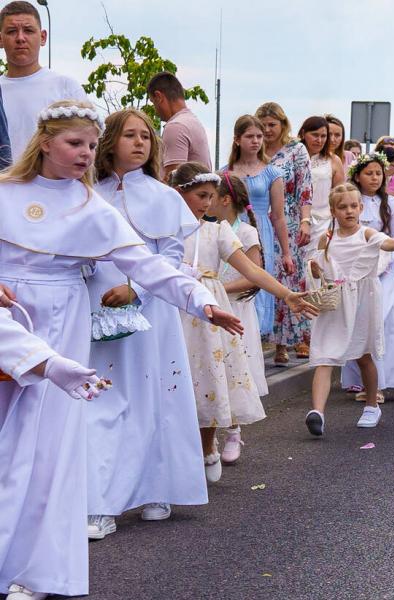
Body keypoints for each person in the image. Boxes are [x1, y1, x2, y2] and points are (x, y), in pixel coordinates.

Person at [0, 100, 248, 599]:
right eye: (75, 143)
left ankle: (36, 571)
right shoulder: (6, 192)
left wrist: (201, 302)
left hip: (63, 318)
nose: (84, 153)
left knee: (48, 447)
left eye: (91, 146)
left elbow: (150, 266)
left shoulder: (91, 207)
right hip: (8, 320)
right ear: (45, 142)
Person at [83, 109, 206, 542]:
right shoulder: (86, 194)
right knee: (101, 402)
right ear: (109, 141)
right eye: (129, 135)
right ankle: (101, 502)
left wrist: (137, 288)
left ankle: (159, 486)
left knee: (157, 398)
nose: (140, 143)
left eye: (146, 137)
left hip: (150, 313)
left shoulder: (164, 196)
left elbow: (173, 258)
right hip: (97, 312)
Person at [172, 163, 314, 484]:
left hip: (208, 313)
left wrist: (286, 293)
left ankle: (208, 446)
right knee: (174, 380)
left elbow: (252, 270)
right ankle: (176, 454)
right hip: (174, 308)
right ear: (178, 194)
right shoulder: (164, 231)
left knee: (205, 377)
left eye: (211, 196)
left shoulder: (216, 230)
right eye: (200, 196)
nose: (207, 203)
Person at [303, 184, 394, 436]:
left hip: (362, 301)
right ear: (333, 211)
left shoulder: (367, 233)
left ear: (361, 208)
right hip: (335, 303)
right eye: (343, 207)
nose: (349, 211)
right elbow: (317, 263)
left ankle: (371, 405)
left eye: (354, 206)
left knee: (363, 354)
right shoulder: (327, 238)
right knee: (325, 355)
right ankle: (317, 413)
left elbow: (386, 243)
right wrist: (315, 268)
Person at [340, 154, 394, 399]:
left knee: (382, 323)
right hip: (356, 271)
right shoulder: (351, 202)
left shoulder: (392, 204)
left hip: (384, 271)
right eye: (369, 173)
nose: (374, 178)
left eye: (378, 173)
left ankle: (379, 384)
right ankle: (359, 381)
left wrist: (383, 262)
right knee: (358, 323)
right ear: (357, 175)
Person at [210, 170, 269, 458]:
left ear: (224, 200)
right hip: (210, 311)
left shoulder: (245, 232)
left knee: (234, 367)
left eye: (210, 196)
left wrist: (220, 287)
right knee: (211, 368)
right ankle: (209, 435)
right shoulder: (204, 229)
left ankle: (233, 431)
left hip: (234, 309)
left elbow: (254, 276)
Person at [256, 102, 314, 364]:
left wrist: (305, 221)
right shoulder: (255, 149)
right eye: (263, 125)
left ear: (282, 125)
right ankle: (276, 343)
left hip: (289, 221)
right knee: (266, 278)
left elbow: (305, 188)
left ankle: (298, 337)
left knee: (290, 279)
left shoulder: (296, 150)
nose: (268, 131)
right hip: (260, 221)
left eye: (272, 125)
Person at [223, 115, 286, 349]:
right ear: (237, 140)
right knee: (235, 278)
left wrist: (286, 253)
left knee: (257, 281)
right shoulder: (225, 172)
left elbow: (278, 216)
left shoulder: (272, 173)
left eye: (259, 136)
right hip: (233, 230)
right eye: (250, 136)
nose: (256, 141)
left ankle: (255, 339)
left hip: (261, 233)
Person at [0, 1, 83, 159]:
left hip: (54, 183)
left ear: (43, 37)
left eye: (28, 30)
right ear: (0, 39)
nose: (20, 38)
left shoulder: (66, 87)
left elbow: (87, 143)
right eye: (11, 31)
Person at [146, 72, 211, 178]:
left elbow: (174, 182)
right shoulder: (193, 121)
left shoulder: (176, 127)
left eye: (153, 102)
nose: (155, 110)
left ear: (159, 96)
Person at [300, 116, 344, 236]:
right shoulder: (294, 157)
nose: (319, 140)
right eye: (315, 135)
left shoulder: (333, 160)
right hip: (296, 219)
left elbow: (339, 196)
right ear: (303, 134)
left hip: (323, 223)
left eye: (323, 136)